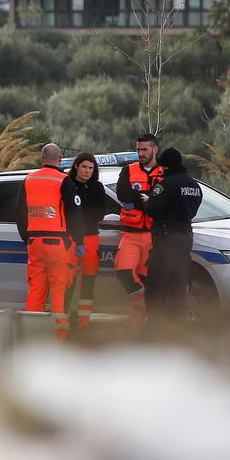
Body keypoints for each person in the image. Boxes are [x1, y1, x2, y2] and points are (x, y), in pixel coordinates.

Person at [61, 152, 121, 332]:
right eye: (84, 167)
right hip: (71, 239)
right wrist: (80, 214)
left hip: (90, 238)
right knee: (68, 282)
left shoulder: (97, 187)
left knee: (88, 281)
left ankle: (84, 323)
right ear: (76, 167)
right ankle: (65, 321)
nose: (87, 171)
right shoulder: (68, 185)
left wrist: (80, 213)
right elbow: (68, 212)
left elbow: (99, 213)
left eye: (91, 168)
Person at [141, 146, 202, 319]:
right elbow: (193, 209)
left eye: (162, 167)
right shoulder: (194, 184)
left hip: (166, 239)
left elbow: (152, 209)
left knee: (156, 284)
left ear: (166, 166)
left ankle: (155, 325)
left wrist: (148, 201)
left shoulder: (167, 184)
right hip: (185, 239)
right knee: (179, 284)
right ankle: (179, 325)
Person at [22, 143, 72, 342]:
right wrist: (73, 241)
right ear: (60, 160)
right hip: (57, 241)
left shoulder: (29, 179)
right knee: (59, 288)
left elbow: (19, 212)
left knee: (36, 288)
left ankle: (33, 335)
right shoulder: (64, 181)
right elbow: (74, 213)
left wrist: (26, 237)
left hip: (34, 240)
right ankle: (60, 336)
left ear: (41, 159)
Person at [114, 133, 163, 324]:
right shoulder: (129, 170)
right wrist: (146, 197)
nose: (140, 153)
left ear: (154, 149)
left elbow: (166, 198)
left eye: (144, 149)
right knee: (123, 271)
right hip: (131, 233)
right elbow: (122, 193)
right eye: (138, 149)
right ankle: (139, 302)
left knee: (147, 279)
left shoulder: (164, 171)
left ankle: (140, 323)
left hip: (153, 235)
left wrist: (142, 197)